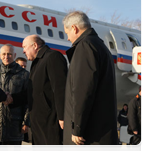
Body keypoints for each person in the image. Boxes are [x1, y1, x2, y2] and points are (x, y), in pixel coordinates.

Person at [62, 11, 119, 151]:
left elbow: (83, 91)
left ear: (74, 28)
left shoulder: (85, 47)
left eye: (67, 33)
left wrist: (77, 128)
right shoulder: (100, 46)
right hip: (101, 134)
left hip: (89, 138)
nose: (68, 38)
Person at [22, 35, 68, 151]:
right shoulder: (37, 62)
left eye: (25, 47)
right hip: (39, 122)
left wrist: (63, 117)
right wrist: (8, 98)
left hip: (51, 122)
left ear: (35, 45)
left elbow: (60, 88)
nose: (23, 51)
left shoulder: (53, 57)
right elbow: (32, 92)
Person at [128, 85, 143, 151]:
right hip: (138, 130)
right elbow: (131, 116)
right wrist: (134, 129)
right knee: (137, 148)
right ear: (141, 90)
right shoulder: (134, 101)